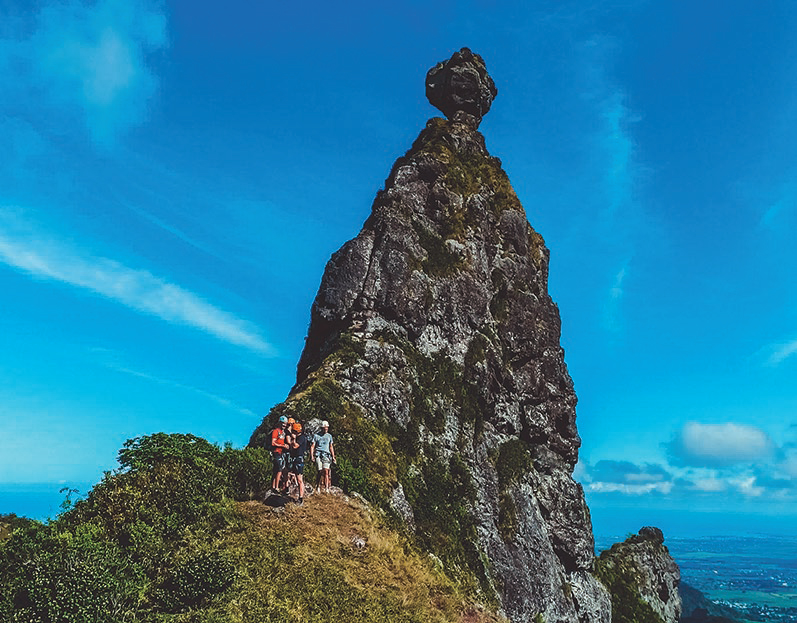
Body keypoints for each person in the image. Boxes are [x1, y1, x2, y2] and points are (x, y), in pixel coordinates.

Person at [310, 420, 335, 493]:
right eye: (325, 428)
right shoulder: (316, 436)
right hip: (318, 454)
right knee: (320, 471)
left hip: (326, 455)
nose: (326, 429)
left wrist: (333, 456)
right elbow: (312, 446)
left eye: (327, 428)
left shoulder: (329, 436)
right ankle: (317, 486)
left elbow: (331, 446)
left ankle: (327, 488)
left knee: (326, 471)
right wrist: (312, 456)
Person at [288, 421, 308, 504]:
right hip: (295, 458)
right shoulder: (300, 437)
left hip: (299, 459)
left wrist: (293, 439)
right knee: (289, 474)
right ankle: (287, 490)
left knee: (300, 479)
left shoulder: (301, 438)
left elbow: (295, 446)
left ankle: (300, 497)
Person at [270, 416, 289, 492]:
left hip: (281, 452)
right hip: (276, 452)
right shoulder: (275, 431)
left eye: (285, 424)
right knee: (279, 470)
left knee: (277, 470)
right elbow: (273, 443)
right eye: (283, 423)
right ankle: (276, 487)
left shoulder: (282, 432)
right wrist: (283, 445)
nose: (284, 425)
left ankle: (274, 487)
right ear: (279, 423)